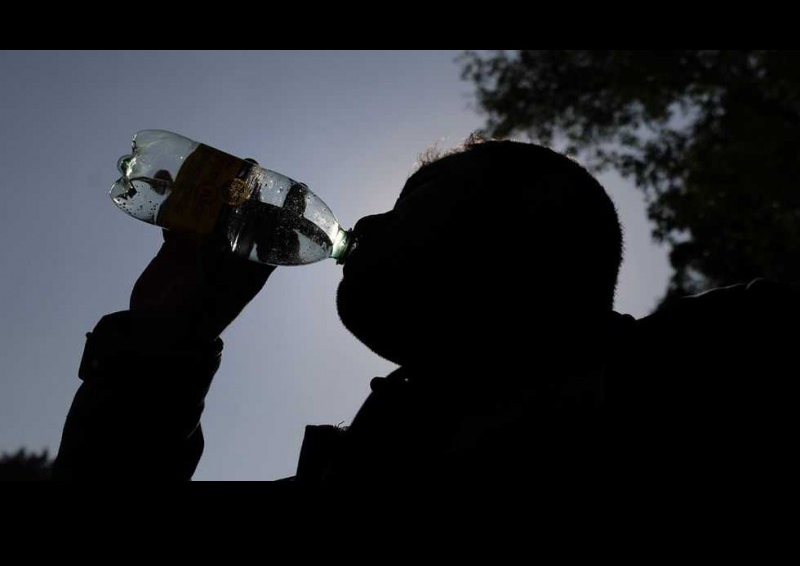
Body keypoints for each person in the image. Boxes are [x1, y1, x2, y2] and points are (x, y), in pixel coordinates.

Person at [51, 137, 796, 486]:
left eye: (414, 204)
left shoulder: (723, 366)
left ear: (524, 236)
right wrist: (165, 340)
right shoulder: (365, 473)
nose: (368, 224)